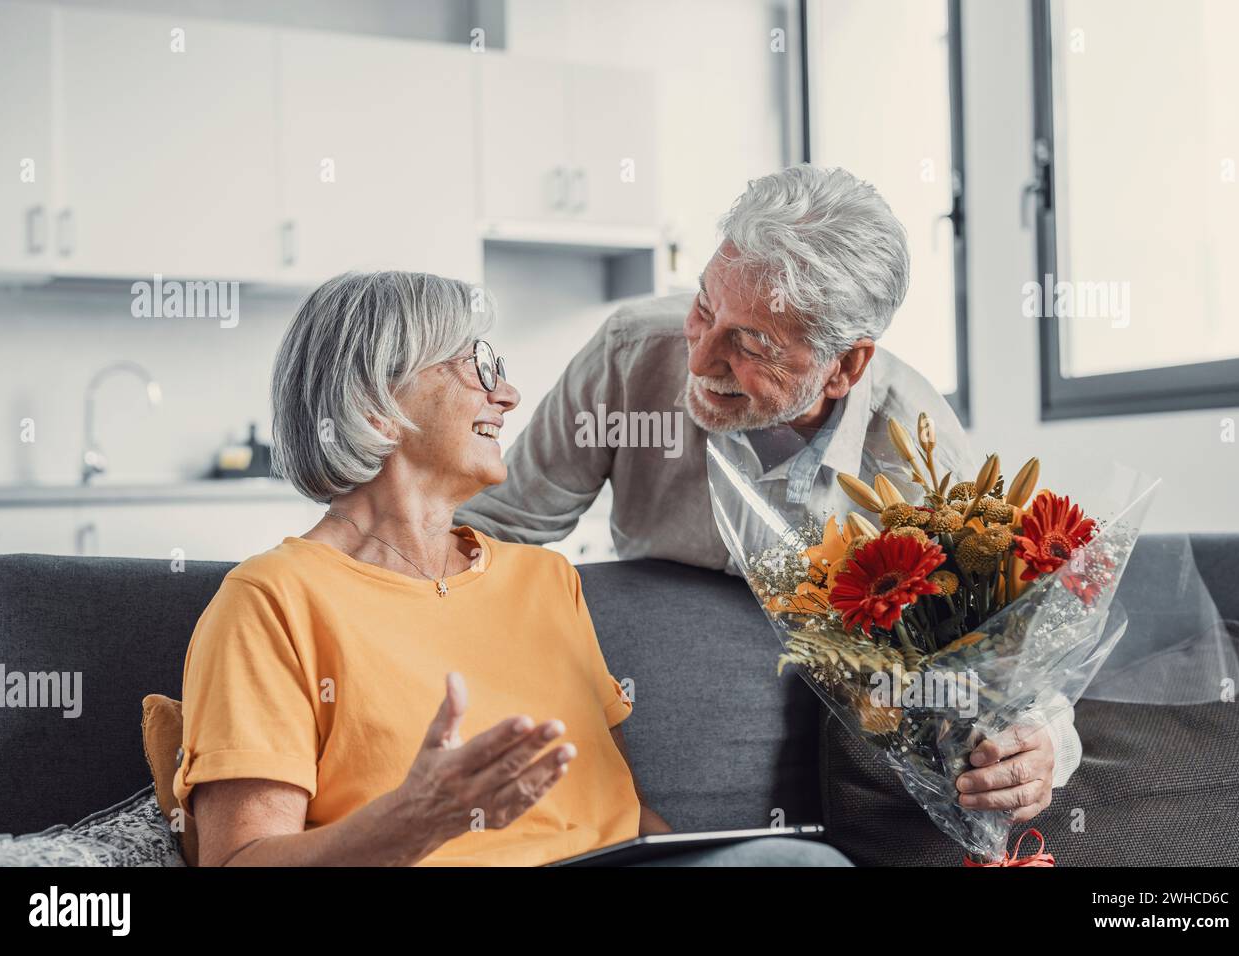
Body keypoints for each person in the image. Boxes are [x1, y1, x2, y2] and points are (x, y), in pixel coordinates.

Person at [174, 270, 850, 866]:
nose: (510, 395)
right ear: (376, 400)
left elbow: (623, 815)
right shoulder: (271, 601)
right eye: (477, 367)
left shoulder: (545, 581)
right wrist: (416, 820)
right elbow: (240, 861)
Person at [458, 164, 1080, 812]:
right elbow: (497, 527)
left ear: (845, 366)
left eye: (749, 344)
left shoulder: (918, 456)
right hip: (627, 733)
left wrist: (1038, 748)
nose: (698, 361)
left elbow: (1015, 669)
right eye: (703, 306)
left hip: (820, 767)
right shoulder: (628, 355)